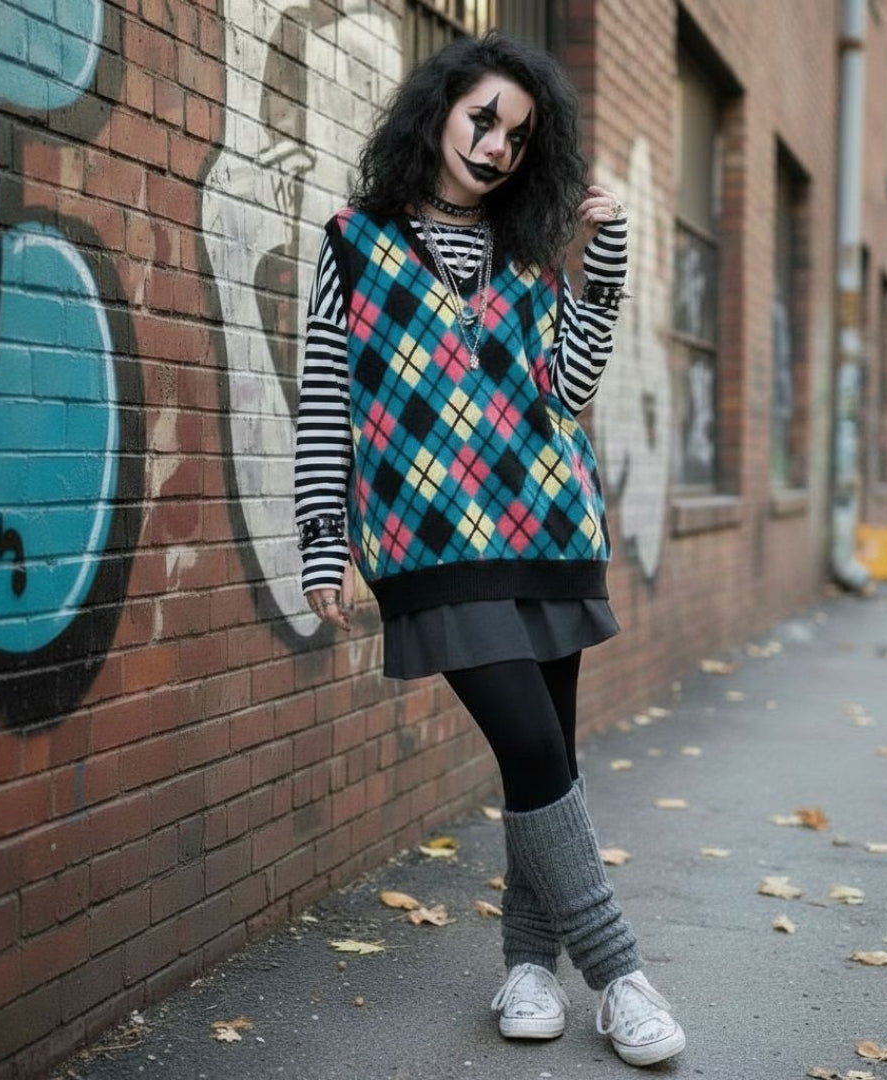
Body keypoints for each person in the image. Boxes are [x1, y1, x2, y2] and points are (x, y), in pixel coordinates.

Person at [294, 30, 685, 1068]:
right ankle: (621, 975)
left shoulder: (522, 255)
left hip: (549, 526)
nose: (497, 144)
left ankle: (526, 969)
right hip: (429, 549)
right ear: (440, 110)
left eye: (518, 134)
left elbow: (568, 387)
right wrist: (323, 540)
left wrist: (603, 261)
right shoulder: (349, 241)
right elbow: (327, 399)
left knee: (542, 753)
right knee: (531, 745)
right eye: (484, 118)